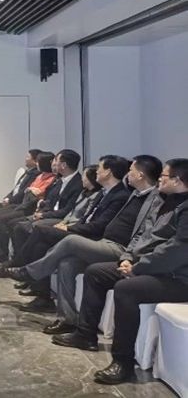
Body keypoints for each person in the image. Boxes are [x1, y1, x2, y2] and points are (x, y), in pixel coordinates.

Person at [51, 159, 188, 385]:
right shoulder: (162, 200)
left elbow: (176, 251)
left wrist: (139, 267)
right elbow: (141, 234)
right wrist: (127, 257)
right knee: (96, 273)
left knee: (127, 289)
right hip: (146, 264)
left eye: (164, 176)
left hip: (177, 277)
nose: (160, 180)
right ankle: (85, 335)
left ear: (177, 180)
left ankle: (123, 362)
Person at [7, 156, 157, 324]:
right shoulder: (133, 194)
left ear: (141, 175)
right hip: (104, 241)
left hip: (118, 247)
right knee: (66, 264)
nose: (128, 174)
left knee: (67, 240)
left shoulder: (149, 199)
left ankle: (28, 271)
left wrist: (128, 257)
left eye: (132, 170)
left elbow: (143, 233)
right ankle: (67, 319)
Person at [0, 165, 101, 281]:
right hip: (63, 220)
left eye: (84, 176)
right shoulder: (83, 192)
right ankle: (26, 275)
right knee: (35, 242)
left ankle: (17, 264)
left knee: (37, 228)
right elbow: (61, 205)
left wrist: (67, 226)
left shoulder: (92, 195)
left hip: (69, 225)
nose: (82, 178)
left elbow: (82, 217)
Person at [8, 149, 83, 258]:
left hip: (60, 218)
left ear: (63, 165)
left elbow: (66, 210)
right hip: (49, 213)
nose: (54, 163)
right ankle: (18, 259)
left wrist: (43, 215)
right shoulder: (61, 179)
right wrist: (42, 207)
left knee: (24, 227)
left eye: (56, 160)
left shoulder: (77, 184)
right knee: (17, 225)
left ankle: (20, 261)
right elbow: (50, 200)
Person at [0, 151, 57, 262]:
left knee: (3, 219)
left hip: (30, 207)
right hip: (24, 204)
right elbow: (27, 190)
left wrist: (31, 191)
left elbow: (37, 192)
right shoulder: (39, 176)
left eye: (38, 161)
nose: (37, 163)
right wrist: (30, 191)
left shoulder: (50, 178)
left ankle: (6, 255)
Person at [0, 149, 42, 253]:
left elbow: (22, 193)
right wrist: (7, 197)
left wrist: (10, 200)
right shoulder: (27, 172)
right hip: (13, 200)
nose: (25, 159)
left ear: (35, 161)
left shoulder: (35, 174)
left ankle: (0, 252)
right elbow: (16, 189)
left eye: (28, 157)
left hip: (19, 203)